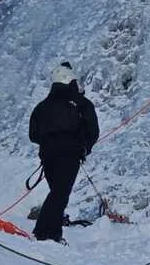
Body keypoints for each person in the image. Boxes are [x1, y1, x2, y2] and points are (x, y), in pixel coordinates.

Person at [28, 62, 99, 243]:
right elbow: (93, 130)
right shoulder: (81, 104)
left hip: (47, 155)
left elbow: (33, 135)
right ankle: (43, 232)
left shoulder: (42, 107)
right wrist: (84, 147)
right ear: (71, 81)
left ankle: (53, 232)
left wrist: (49, 141)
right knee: (60, 194)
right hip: (70, 154)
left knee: (57, 193)